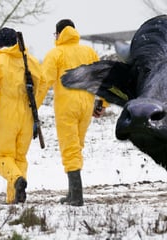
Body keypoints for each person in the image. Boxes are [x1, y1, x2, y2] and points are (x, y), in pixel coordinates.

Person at [0, 27, 46, 204]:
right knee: (19, 158)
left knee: (0, 157)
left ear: (0, 43)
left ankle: (16, 180)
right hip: (28, 117)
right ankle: (14, 198)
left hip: (7, 117)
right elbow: (43, 84)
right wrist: (33, 104)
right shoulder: (31, 61)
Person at [42, 19, 108, 206]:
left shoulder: (56, 54)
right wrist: (102, 103)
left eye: (55, 34)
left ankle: (76, 196)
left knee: (70, 149)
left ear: (59, 33)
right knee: (76, 147)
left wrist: (33, 107)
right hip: (85, 107)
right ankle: (72, 193)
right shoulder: (89, 52)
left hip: (66, 108)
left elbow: (43, 82)